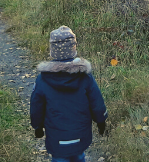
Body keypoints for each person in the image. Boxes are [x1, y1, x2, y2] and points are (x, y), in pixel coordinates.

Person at [30, 26, 108, 162]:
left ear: (52, 51)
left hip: (56, 136)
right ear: (73, 48)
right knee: (78, 156)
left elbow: (36, 106)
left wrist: (37, 126)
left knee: (59, 158)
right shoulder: (84, 76)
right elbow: (96, 101)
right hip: (80, 133)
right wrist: (101, 120)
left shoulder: (43, 79)